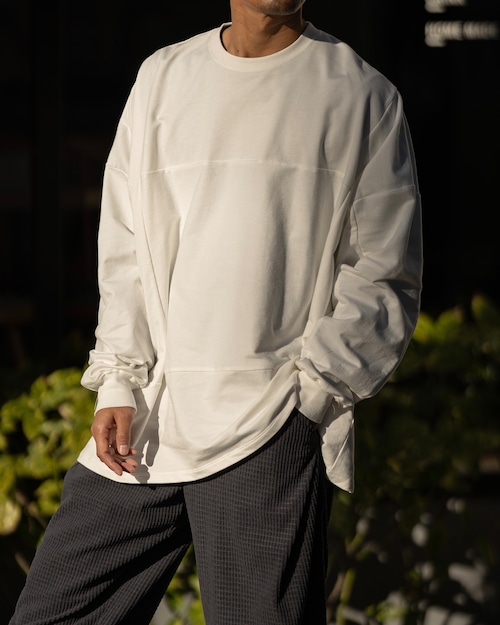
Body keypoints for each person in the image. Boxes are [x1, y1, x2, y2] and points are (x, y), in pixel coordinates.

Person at [10, 1, 422, 624]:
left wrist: (311, 399)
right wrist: (119, 380)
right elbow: (124, 243)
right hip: (150, 422)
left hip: (269, 421)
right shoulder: (164, 77)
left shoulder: (360, 94)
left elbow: (383, 272)